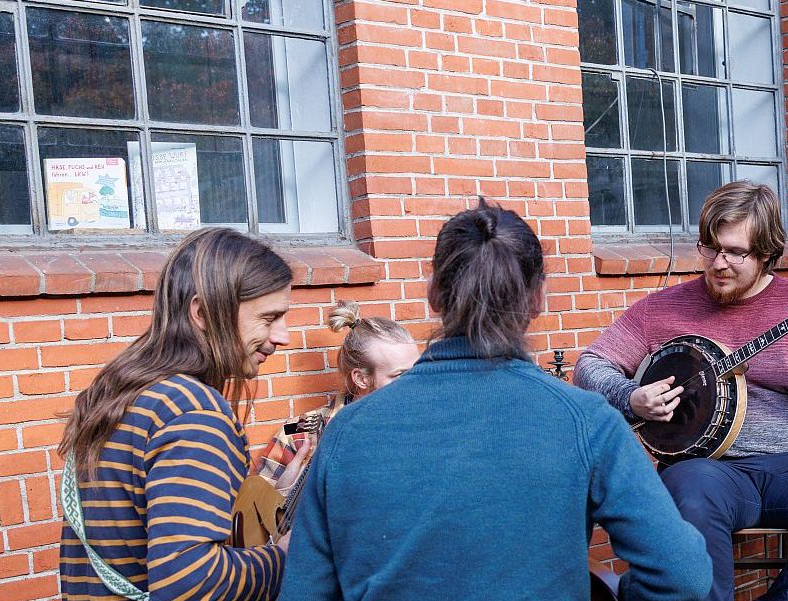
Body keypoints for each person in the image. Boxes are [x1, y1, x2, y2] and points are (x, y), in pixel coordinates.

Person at [278, 200, 710, 601]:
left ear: (432, 293)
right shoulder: (585, 422)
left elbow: (305, 589)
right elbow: (682, 575)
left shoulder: (347, 432)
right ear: (539, 297)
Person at [574, 181, 788, 601]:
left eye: (735, 252)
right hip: (708, 468)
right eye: (710, 248)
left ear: (767, 254)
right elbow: (589, 365)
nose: (718, 263)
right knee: (688, 497)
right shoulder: (662, 309)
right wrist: (631, 396)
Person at [57, 227, 294, 600]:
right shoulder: (193, 411)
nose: (283, 336)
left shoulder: (125, 394)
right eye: (269, 318)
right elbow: (190, 582)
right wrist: (283, 557)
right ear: (203, 312)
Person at [249, 301, 419, 505]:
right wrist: (285, 492)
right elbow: (254, 522)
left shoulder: (425, 426)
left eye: (416, 372)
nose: (412, 384)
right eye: (399, 375)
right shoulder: (299, 432)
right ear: (362, 379)